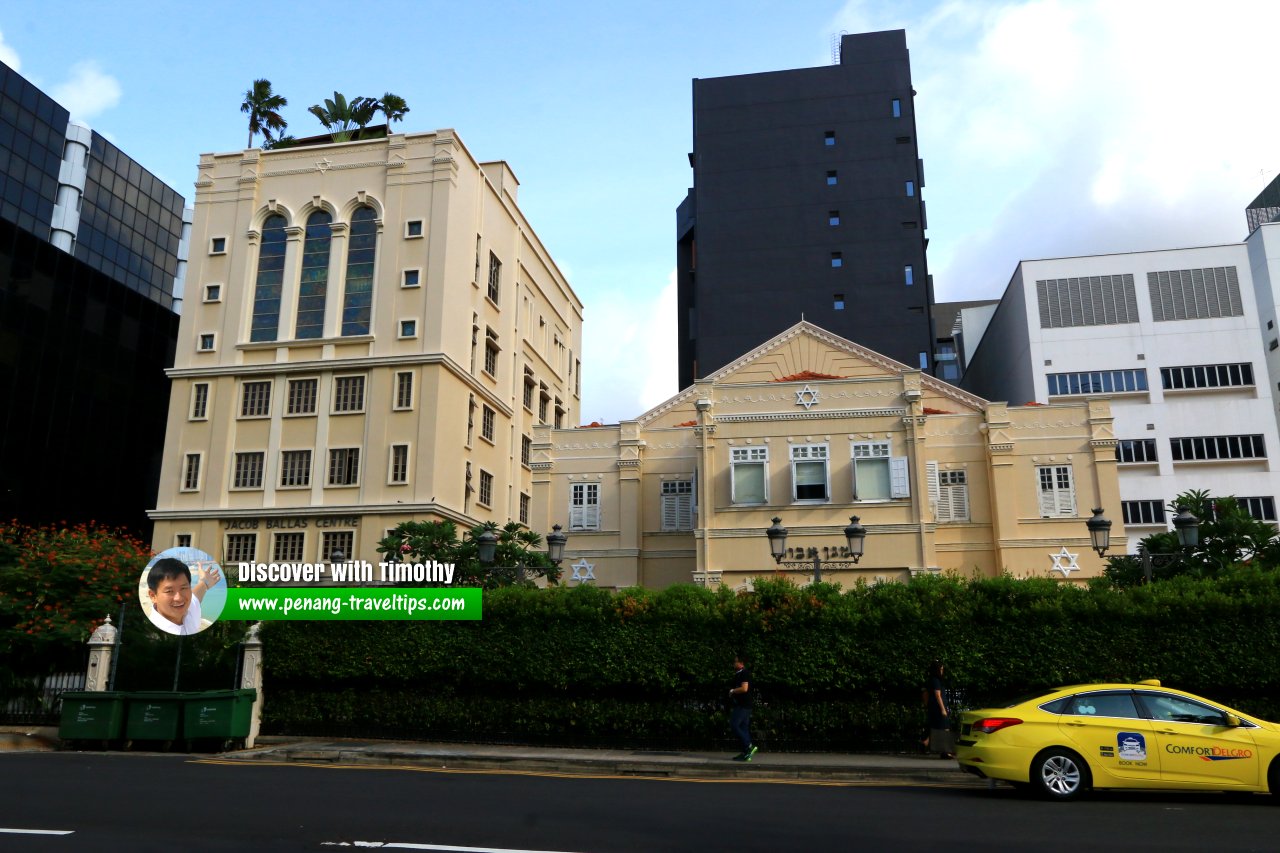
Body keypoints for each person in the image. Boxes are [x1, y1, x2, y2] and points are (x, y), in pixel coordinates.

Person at [145, 557, 220, 636]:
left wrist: (205, 582)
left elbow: (196, 596)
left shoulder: (189, 610)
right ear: (153, 596)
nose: (179, 598)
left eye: (183, 588)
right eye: (169, 591)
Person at [728, 654, 757, 762]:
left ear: (741, 663)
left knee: (734, 725)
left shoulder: (745, 673)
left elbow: (744, 688)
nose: (733, 663)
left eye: (735, 662)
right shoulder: (739, 673)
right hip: (743, 704)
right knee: (744, 728)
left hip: (743, 705)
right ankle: (746, 753)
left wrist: (733, 691)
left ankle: (748, 746)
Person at [925, 659, 954, 759]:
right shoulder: (936, 680)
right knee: (945, 728)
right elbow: (938, 695)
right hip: (938, 707)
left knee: (937, 727)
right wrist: (943, 709)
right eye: (941, 669)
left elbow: (926, 694)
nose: (942, 671)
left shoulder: (931, 679)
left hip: (933, 707)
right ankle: (946, 752)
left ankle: (926, 743)